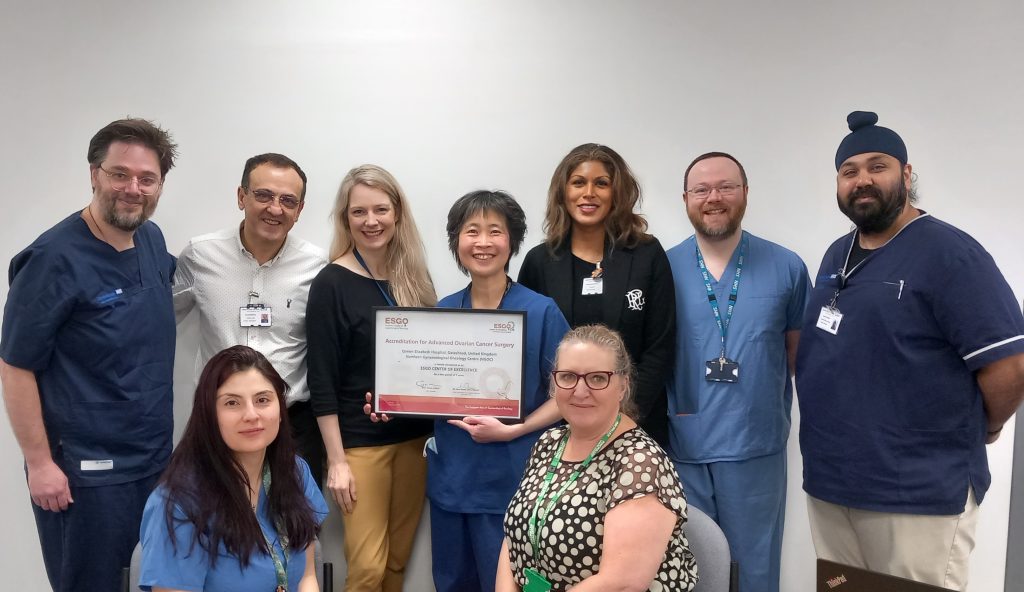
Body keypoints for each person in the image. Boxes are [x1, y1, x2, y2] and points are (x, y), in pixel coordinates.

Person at [796, 111, 1024, 590]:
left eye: (877, 166)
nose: (863, 180)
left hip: (915, 492)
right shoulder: (837, 254)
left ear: (906, 173)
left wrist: (987, 424)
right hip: (835, 485)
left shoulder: (950, 254)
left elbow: (1009, 366)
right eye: (849, 171)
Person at [0, 118, 178, 592]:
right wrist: (39, 463)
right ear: (94, 174)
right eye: (120, 174)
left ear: (160, 184)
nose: (133, 188)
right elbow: (15, 366)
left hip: (155, 461)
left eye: (147, 178)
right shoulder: (51, 260)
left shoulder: (152, 240)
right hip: (86, 475)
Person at [665, 151, 810, 592]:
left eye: (726, 187)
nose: (714, 198)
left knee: (754, 570)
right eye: (702, 189)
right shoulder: (661, 269)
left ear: (745, 193)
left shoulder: (786, 267)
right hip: (683, 445)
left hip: (755, 445)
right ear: (686, 198)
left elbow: (797, 357)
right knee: (690, 570)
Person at [426, 190, 570, 592]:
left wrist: (514, 429)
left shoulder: (542, 311)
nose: (483, 242)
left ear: (513, 241)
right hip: (453, 480)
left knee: (509, 585)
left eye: (495, 231)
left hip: (514, 478)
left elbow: (566, 396)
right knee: (452, 583)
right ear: (457, 241)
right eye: (472, 231)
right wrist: (390, 402)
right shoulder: (441, 312)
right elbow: (425, 387)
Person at [306, 164, 437, 591]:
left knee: (396, 563)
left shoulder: (414, 280)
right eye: (358, 212)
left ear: (398, 213)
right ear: (345, 219)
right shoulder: (331, 282)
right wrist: (337, 461)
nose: (371, 221)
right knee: (366, 569)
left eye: (381, 209)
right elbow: (321, 379)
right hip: (360, 445)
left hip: (415, 441)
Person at [498, 324, 698, 591]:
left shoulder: (639, 464)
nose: (580, 391)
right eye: (568, 377)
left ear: (623, 386)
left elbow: (622, 583)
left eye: (597, 378)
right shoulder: (549, 443)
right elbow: (514, 537)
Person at [173, 153, 328, 485]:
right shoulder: (200, 256)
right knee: (215, 525)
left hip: (293, 426)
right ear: (242, 196)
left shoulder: (318, 266)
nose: (275, 209)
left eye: (288, 200)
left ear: (299, 211)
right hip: (219, 421)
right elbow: (156, 320)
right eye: (263, 195)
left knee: (295, 528)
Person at [519, 143, 676, 447]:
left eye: (601, 183)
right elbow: (531, 351)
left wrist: (622, 418)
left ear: (617, 193)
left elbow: (661, 346)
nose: (588, 192)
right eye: (578, 182)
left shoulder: (647, 254)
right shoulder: (540, 262)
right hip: (559, 430)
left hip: (634, 427)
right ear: (563, 193)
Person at [139, 345, 328, 591]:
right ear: (209, 415)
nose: (251, 414)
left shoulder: (295, 472)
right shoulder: (179, 501)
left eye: (262, 400)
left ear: (280, 410)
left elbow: (307, 577)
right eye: (232, 403)